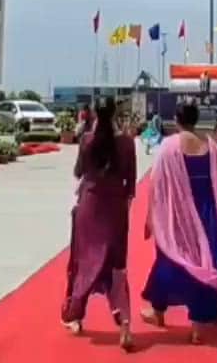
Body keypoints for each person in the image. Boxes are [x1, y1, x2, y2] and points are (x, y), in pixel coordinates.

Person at [141, 101, 217, 345]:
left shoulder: (168, 146)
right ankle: (196, 327)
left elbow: (156, 184)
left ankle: (158, 312)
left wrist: (151, 217)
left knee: (169, 260)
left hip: (178, 213)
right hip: (205, 213)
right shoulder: (210, 146)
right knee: (202, 265)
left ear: (177, 119)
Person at [62, 98, 137, 351]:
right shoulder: (126, 143)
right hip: (115, 208)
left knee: (83, 261)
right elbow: (131, 182)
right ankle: (124, 322)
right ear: (116, 113)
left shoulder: (87, 140)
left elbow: (78, 171)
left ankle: (76, 316)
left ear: (94, 113)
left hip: (90, 206)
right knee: (117, 267)